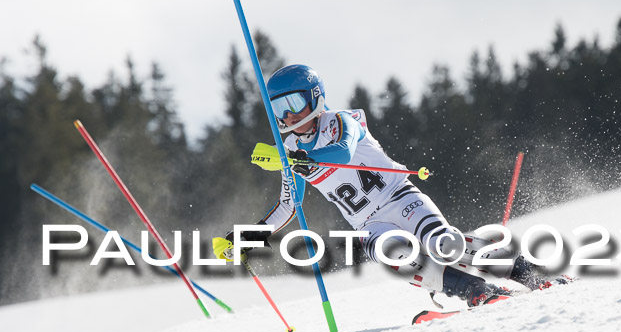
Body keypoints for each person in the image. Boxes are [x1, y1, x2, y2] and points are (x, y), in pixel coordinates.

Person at [213, 64, 564, 307]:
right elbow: (289, 206)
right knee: (395, 254)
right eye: (279, 108)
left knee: (443, 243)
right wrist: (247, 237)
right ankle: (475, 290)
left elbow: (341, 150)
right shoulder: (289, 153)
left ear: (314, 96)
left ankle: (529, 273)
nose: (288, 116)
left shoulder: (342, 121)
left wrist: (305, 159)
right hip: (369, 224)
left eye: (293, 103)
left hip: (400, 196)